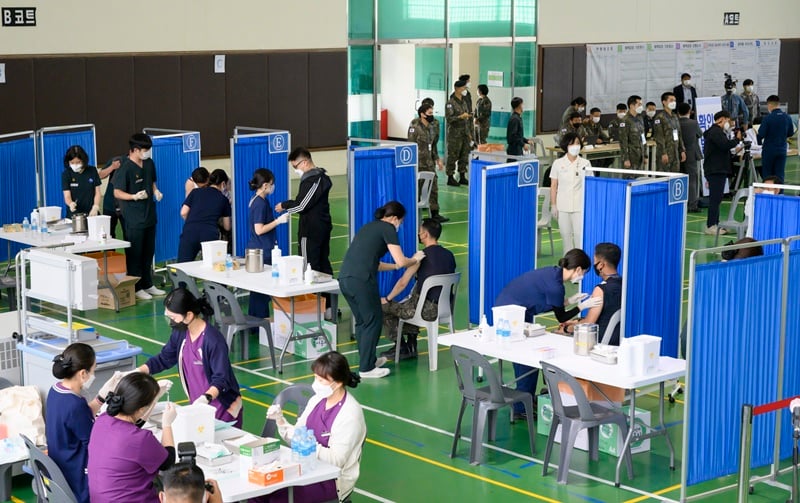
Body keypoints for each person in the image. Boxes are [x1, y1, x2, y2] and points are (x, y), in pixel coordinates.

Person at [494, 249, 600, 419]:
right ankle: (521, 406)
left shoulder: (553, 274)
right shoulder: (556, 286)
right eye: (584, 273)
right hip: (510, 315)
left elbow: (548, 301)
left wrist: (568, 301)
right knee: (526, 359)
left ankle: (525, 398)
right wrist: (582, 306)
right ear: (579, 269)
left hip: (513, 309)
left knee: (526, 356)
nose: (582, 277)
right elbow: (562, 316)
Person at [338, 201, 426, 379]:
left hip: (345, 279)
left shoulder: (368, 228)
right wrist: (415, 259)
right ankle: (367, 368)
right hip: (362, 281)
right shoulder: (388, 229)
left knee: (363, 321)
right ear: (394, 218)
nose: (399, 225)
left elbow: (376, 263)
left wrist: (393, 267)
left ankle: (368, 360)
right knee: (373, 320)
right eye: (400, 222)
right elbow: (402, 261)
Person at [265, 352, 367, 503]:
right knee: (260, 493)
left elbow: (336, 460)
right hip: (305, 467)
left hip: (329, 481)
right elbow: (297, 435)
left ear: (337, 383)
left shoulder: (350, 415)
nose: (316, 383)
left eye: (321, 380)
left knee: (276, 498)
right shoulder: (317, 400)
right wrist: (281, 422)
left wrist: (308, 446)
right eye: (315, 378)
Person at [138, 287, 244, 427]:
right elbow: (165, 358)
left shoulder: (213, 341)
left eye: (174, 318)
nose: (171, 322)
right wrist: (139, 371)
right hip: (199, 407)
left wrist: (205, 398)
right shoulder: (180, 333)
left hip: (222, 409)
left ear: (188, 315)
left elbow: (222, 378)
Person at [88, 373, 177, 503]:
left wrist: (153, 398)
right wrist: (167, 424)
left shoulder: (102, 420)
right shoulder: (141, 439)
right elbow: (168, 463)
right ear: (141, 409)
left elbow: (131, 425)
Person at [380, 218, 456, 360]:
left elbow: (403, 283)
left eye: (420, 232)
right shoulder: (449, 255)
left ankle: (401, 346)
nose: (419, 235)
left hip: (425, 311)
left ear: (426, 235)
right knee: (412, 299)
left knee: (385, 307)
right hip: (445, 308)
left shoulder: (421, 257)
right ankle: (412, 345)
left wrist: (387, 299)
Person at [276, 148, 336, 308]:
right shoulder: (320, 177)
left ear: (305, 162)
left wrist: (285, 205)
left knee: (309, 267)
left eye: (296, 166)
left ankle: (315, 307)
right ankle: (328, 306)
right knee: (322, 264)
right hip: (322, 227)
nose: (295, 170)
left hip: (311, 230)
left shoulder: (313, 180)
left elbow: (302, 205)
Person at [45, 343, 102, 503]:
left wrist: (101, 397)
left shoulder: (55, 390)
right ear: (83, 373)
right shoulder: (75, 405)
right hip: (78, 476)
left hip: (61, 465)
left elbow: (77, 418)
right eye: (93, 369)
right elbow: (95, 444)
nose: (94, 374)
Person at [113, 133, 165, 300]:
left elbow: (151, 181)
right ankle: (136, 286)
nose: (147, 152)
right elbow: (117, 192)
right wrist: (134, 197)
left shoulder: (149, 163)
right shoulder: (125, 168)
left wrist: (156, 191)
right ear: (135, 150)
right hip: (134, 217)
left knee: (148, 252)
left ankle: (148, 283)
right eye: (145, 150)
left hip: (149, 214)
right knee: (135, 253)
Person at [247, 168, 289, 320]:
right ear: (265, 185)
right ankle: (259, 322)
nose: (273, 187)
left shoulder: (259, 200)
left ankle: (256, 322)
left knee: (258, 290)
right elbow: (259, 229)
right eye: (271, 184)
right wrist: (278, 221)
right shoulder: (260, 204)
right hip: (262, 251)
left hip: (260, 249)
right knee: (261, 290)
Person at [561, 243, 623, 346]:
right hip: (616, 340)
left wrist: (567, 329)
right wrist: (576, 322)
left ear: (601, 265)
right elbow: (605, 315)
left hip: (599, 342)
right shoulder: (624, 284)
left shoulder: (600, 290)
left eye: (595, 262)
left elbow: (588, 324)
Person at [177, 169, 231, 263]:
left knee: (183, 266)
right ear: (223, 184)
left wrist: (191, 221)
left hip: (190, 232)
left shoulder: (195, 192)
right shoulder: (224, 199)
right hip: (209, 234)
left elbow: (183, 212)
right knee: (211, 267)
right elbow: (227, 226)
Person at [550, 132, 592, 253]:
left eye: (578, 143)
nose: (575, 146)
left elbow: (589, 186)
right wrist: (553, 205)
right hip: (562, 207)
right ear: (566, 146)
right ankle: (568, 268)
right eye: (572, 143)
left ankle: (581, 267)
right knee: (566, 240)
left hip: (579, 207)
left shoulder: (586, 163)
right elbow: (553, 186)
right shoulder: (558, 163)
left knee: (580, 239)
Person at [703, 110, 742, 235]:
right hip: (715, 169)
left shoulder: (719, 132)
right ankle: (711, 225)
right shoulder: (715, 132)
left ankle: (717, 223)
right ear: (722, 119)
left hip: (719, 169)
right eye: (728, 120)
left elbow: (723, 149)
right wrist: (736, 140)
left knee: (718, 198)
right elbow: (724, 145)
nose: (730, 123)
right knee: (715, 198)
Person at [408, 105, 449, 223]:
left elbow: (433, 145)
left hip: (429, 163)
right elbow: (410, 145)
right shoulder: (414, 126)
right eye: (429, 113)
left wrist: (437, 159)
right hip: (418, 163)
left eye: (432, 112)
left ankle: (435, 213)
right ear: (422, 114)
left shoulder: (432, 127)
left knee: (433, 187)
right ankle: (413, 213)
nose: (432, 115)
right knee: (417, 189)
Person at [757, 95, 796, 183]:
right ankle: (780, 194)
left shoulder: (767, 118)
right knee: (780, 174)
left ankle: (768, 193)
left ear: (769, 105)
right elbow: (790, 133)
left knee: (767, 175)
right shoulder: (787, 117)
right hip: (782, 149)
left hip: (769, 150)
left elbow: (761, 134)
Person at [61, 145, 102, 218]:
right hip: (74, 216)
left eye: (78, 162)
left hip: (91, 213)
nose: (75, 165)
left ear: (83, 160)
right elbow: (67, 196)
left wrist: (95, 207)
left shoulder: (92, 171)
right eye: (72, 162)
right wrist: (70, 203)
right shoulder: (66, 174)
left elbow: (98, 192)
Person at [445, 80, 472, 187]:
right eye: (463, 88)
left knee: (464, 155)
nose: (465, 90)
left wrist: (469, 133)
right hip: (454, 135)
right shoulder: (450, 103)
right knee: (453, 155)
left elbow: (467, 118)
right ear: (457, 89)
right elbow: (449, 119)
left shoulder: (463, 102)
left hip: (464, 133)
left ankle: (462, 176)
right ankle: (450, 177)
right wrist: (460, 116)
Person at [678, 102, 703, 212]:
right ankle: (692, 204)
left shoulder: (676, 123)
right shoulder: (693, 123)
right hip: (691, 153)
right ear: (689, 111)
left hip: (677, 154)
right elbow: (700, 134)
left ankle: (679, 201)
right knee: (692, 179)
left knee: (679, 178)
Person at [653, 92, 686, 173]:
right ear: (664, 102)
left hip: (675, 152)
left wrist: (682, 150)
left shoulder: (675, 116)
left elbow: (679, 134)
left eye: (674, 100)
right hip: (665, 153)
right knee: (664, 176)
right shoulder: (659, 117)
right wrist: (663, 153)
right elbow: (659, 137)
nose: (673, 102)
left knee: (675, 177)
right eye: (671, 100)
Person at [100, 155, 126, 239]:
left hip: (127, 206)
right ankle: (109, 252)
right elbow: (100, 175)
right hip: (110, 204)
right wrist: (112, 167)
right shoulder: (117, 160)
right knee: (108, 234)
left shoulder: (139, 163)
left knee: (129, 234)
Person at [620, 95, 647, 173]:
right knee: (629, 180)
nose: (641, 107)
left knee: (640, 180)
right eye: (639, 104)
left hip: (640, 156)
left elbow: (643, 137)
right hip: (631, 157)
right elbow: (623, 142)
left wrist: (645, 155)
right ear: (632, 106)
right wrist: (626, 159)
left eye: (641, 104)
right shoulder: (625, 121)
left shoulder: (640, 118)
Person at [421, 97, 444, 174]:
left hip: (430, 159)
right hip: (419, 160)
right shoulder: (415, 124)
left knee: (432, 180)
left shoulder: (435, 123)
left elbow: (434, 143)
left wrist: (437, 158)